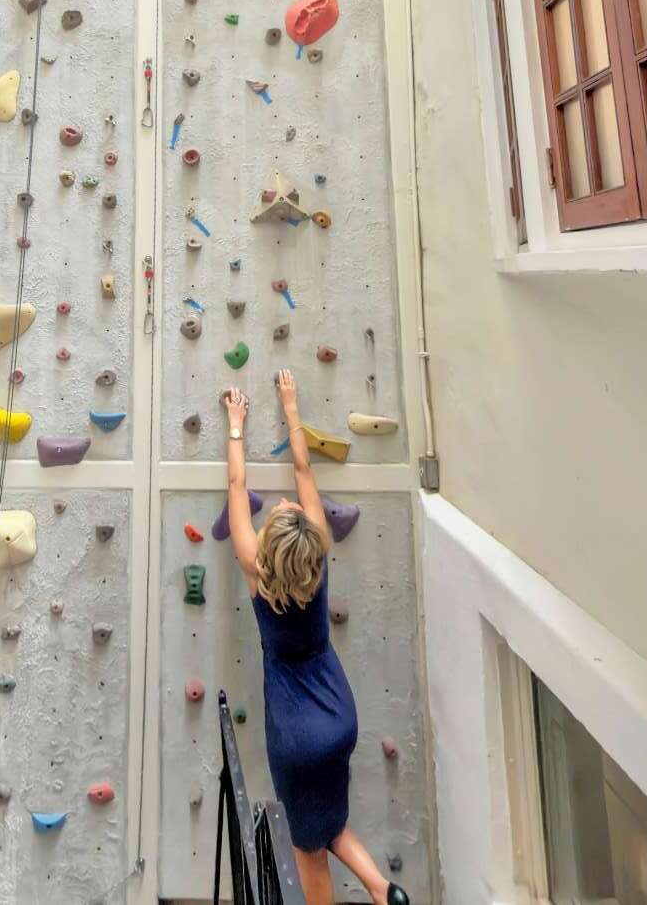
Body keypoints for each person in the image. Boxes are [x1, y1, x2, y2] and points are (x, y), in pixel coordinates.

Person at [223, 369, 409, 905]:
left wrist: (236, 425)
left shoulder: (256, 570)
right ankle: (383, 890)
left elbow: (237, 487)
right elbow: (303, 468)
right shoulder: (319, 554)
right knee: (326, 821)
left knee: (309, 849)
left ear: (269, 545)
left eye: (283, 512)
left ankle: (373, 892)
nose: (283, 504)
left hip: (298, 732)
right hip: (337, 712)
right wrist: (291, 407)